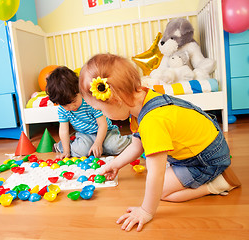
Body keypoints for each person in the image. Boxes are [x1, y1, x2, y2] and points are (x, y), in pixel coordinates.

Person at [79, 53, 241, 232]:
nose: (101, 116)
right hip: (203, 146)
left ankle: (217, 183)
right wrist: (116, 164)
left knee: (161, 191)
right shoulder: (143, 97)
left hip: (205, 160)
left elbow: (156, 175)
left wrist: (146, 211)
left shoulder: (152, 121)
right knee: (155, 171)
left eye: (100, 110)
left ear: (116, 100)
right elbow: (136, 145)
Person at [46, 66, 131, 159]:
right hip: (85, 135)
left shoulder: (90, 102)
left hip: (106, 132)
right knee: (80, 151)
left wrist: (98, 143)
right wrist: (66, 151)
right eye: (65, 105)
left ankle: (137, 139)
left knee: (115, 147)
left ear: (79, 91)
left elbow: (103, 125)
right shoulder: (62, 109)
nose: (71, 107)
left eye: (73, 101)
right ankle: (61, 146)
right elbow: (63, 130)